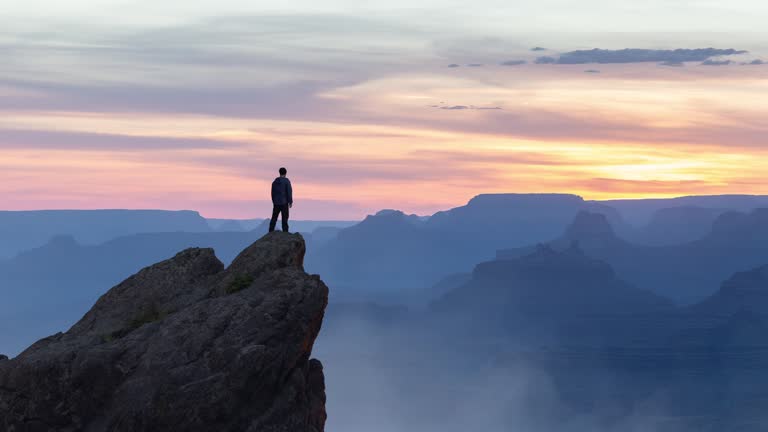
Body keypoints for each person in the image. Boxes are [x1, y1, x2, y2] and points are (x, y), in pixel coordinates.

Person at [269, 167, 293, 232]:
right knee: (284, 218)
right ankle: (285, 232)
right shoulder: (286, 181)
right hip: (284, 203)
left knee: (274, 218)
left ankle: (271, 231)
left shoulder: (274, 182)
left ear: (279, 173)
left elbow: (272, 193)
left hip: (276, 203)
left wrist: (274, 201)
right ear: (285, 173)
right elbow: (289, 192)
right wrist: (290, 202)